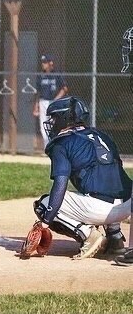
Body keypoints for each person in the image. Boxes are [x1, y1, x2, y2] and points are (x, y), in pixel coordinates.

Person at [32, 96, 132, 260]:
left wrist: (45, 222)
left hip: (101, 208)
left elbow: (60, 185)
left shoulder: (62, 143)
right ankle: (115, 238)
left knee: (43, 205)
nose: (51, 122)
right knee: (106, 182)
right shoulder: (101, 135)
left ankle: (89, 235)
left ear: (65, 118)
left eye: (55, 117)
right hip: (128, 202)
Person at [33, 54, 68, 148]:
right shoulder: (41, 75)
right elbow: (38, 92)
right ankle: (47, 146)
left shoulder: (56, 75)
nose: (43, 64)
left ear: (50, 63)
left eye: (45, 62)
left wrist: (56, 99)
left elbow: (64, 89)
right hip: (43, 102)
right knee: (43, 125)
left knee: (54, 125)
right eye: (43, 62)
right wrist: (36, 106)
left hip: (54, 103)